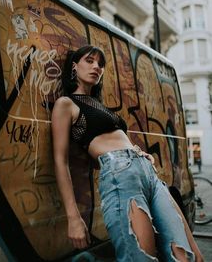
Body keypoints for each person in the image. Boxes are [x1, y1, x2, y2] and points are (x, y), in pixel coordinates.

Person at [52, 45, 203, 262]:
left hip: (148, 174)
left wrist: (139, 153)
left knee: (184, 255)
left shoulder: (99, 105)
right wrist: (73, 216)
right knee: (141, 258)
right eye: (90, 60)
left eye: (101, 64)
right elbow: (60, 160)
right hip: (120, 176)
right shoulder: (66, 104)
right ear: (74, 66)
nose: (96, 67)